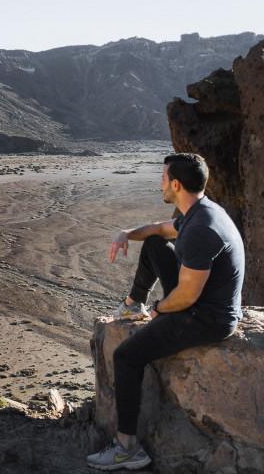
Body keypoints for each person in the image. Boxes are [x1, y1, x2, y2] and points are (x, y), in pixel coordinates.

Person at [86, 153, 245, 471]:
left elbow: (186, 296)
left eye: (162, 178)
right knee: (156, 244)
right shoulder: (198, 210)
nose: (159, 183)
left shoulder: (202, 228)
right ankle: (133, 303)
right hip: (201, 300)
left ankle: (128, 448)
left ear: (175, 184)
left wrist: (160, 310)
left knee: (126, 356)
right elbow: (160, 228)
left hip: (207, 318)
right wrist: (126, 233)